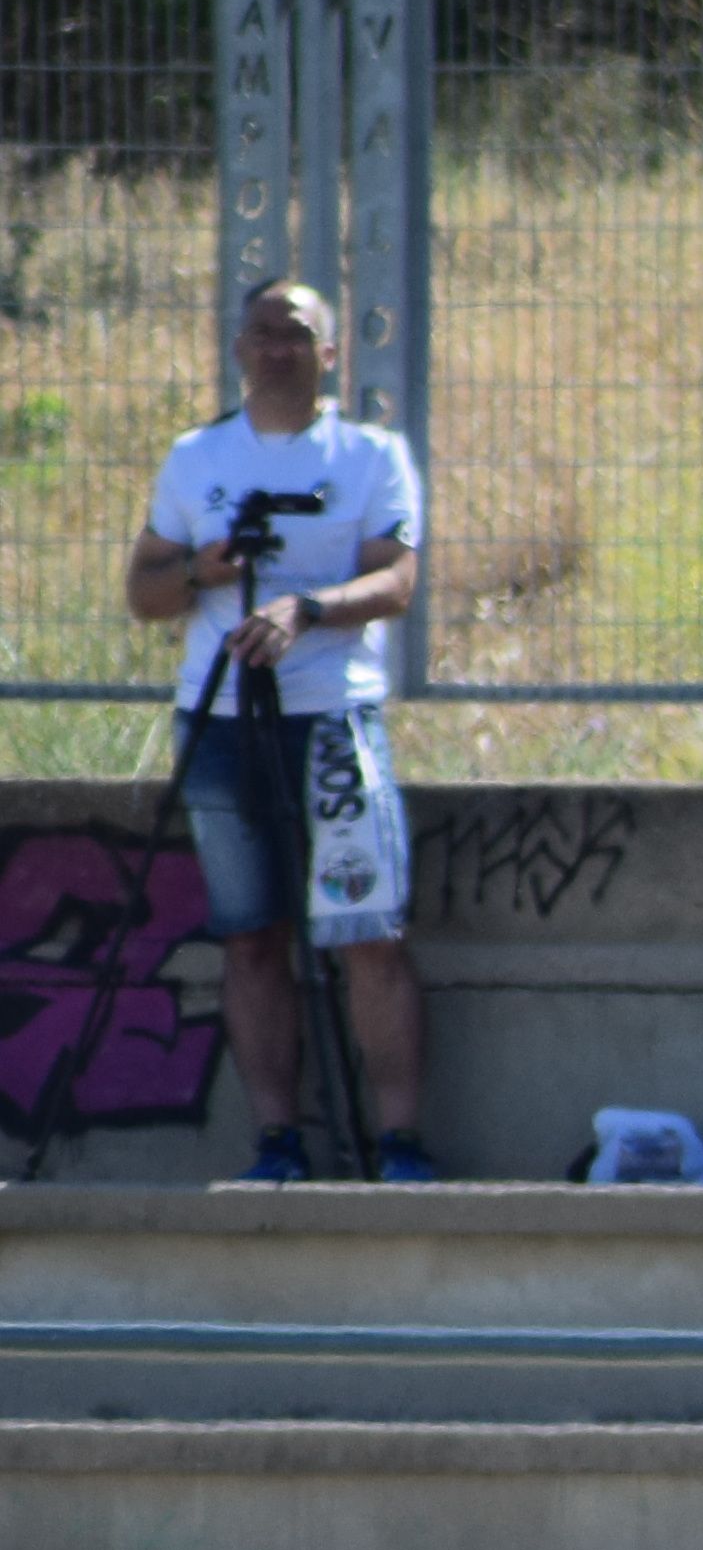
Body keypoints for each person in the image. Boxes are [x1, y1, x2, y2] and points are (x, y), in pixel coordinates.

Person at [128, 278, 428, 1183]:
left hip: (332, 718)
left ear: (329, 354)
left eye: (296, 334)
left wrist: (308, 609)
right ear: (237, 349)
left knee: (367, 933)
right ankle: (277, 1142)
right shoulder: (195, 457)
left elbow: (397, 582)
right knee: (253, 934)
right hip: (219, 723)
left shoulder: (370, 455)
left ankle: (402, 1144)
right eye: (260, 333)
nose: (276, 349)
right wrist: (203, 569)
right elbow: (144, 592)